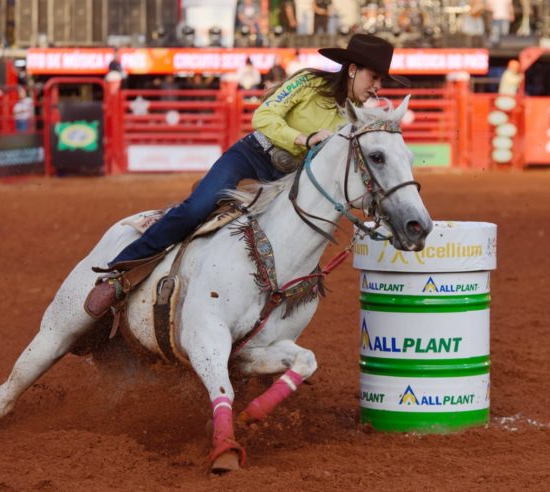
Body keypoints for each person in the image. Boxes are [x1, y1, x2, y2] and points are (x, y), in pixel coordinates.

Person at [85, 34, 411, 317]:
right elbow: (263, 115)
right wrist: (304, 139)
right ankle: (119, 275)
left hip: (290, 178)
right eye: (375, 77)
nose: (378, 86)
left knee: (296, 237)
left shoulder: (360, 120)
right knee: (197, 208)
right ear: (352, 70)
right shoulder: (310, 82)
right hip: (252, 156)